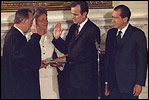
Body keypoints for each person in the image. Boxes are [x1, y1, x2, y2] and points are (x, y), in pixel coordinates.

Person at [51, 1, 100, 99]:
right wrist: (57, 38)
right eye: (72, 14)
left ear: (84, 14)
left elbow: (86, 56)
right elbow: (66, 48)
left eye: (75, 14)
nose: (72, 17)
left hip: (85, 82)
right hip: (71, 80)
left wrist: (62, 60)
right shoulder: (73, 27)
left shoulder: (93, 30)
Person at [104, 5, 147, 99]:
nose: (112, 21)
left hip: (130, 85)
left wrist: (139, 83)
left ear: (125, 19)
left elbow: (142, 61)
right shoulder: (110, 34)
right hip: (113, 85)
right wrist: (106, 82)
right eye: (112, 17)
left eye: (116, 18)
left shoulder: (137, 34)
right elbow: (107, 59)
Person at [1, 9, 43, 99]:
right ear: (24, 21)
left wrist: (36, 63)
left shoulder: (16, 35)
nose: (32, 24)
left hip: (19, 84)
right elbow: (23, 59)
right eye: (31, 21)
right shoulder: (14, 36)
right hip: (19, 87)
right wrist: (35, 36)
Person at [26, 7, 65, 99]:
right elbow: (25, 61)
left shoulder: (52, 36)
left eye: (46, 19)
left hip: (51, 79)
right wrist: (36, 65)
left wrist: (59, 64)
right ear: (35, 22)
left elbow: (62, 56)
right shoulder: (28, 38)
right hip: (35, 78)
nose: (46, 22)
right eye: (42, 20)